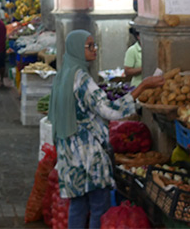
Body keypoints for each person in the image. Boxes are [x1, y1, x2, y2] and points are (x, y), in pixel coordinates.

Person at [48, 30, 164, 229]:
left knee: (78, 205)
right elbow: (110, 110)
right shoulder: (81, 78)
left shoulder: (63, 75)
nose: (95, 49)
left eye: (95, 45)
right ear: (77, 48)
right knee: (98, 205)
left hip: (69, 151)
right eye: (90, 46)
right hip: (87, 153)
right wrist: (143, 86)